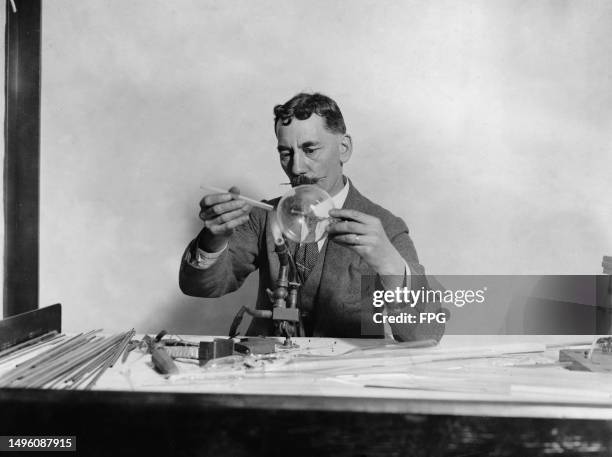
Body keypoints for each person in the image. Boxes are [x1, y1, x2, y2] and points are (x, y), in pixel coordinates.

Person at [179, 93, 445, 341]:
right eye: (286, 153)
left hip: (345, 380)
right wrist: (213, 240)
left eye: (310, 150)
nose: (296, 168)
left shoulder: (384, 227)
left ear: (344, 148)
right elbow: (202, 288)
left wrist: (390, 266)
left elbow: (427, 333)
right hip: (268, 373)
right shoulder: (264, 216)